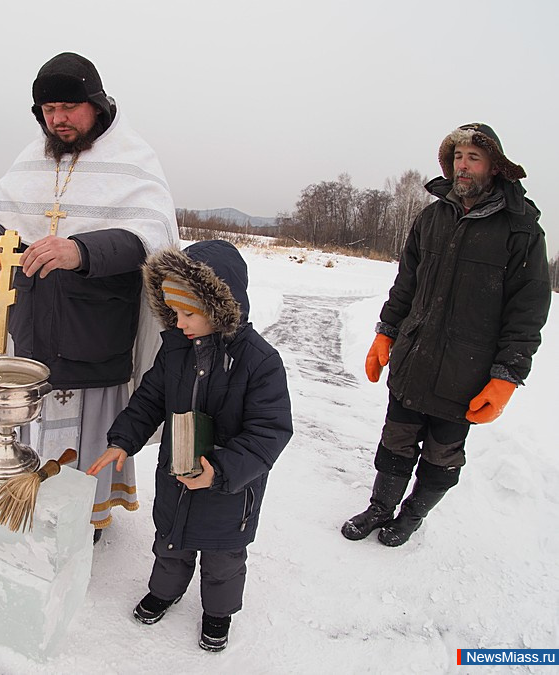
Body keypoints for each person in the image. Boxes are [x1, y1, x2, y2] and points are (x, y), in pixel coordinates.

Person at [0, 52, 179, 540]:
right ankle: (30, 499)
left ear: (96, 105)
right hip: (34, 328)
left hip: (95, 332)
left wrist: (80, 250)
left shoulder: (133, 157)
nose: (56, 119)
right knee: (32, 424)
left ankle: (88, 515)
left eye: (68, 107)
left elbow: (152, 236)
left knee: (91, 429)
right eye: (47, 109)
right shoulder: (31, 157)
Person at [342, 123, 551, 547]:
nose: (463, 165)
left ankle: (410, 518)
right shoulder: (432, 216)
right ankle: (380, 508)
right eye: (457, 157)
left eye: (473, 157)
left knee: (441, 459)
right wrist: (386, 333)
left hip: (466, 374)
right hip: (414, 358)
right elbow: (406, 284)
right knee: (395, 442)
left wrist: (506, 375)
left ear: (495, 166)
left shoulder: (521, 229)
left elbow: (527, 310)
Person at [87, 240, 293, 652]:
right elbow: (148, 400)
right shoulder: (175, 351)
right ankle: (166, 591)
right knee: (170, 542)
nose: (179, 322)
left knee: (223, 559)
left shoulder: (259, 361)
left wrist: (221, 471)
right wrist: (122, 440)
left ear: (219, 307)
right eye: (174, 312)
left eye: (189, 313)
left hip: (230, 490)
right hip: (177, 477)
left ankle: (218, 612)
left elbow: (270, 431)